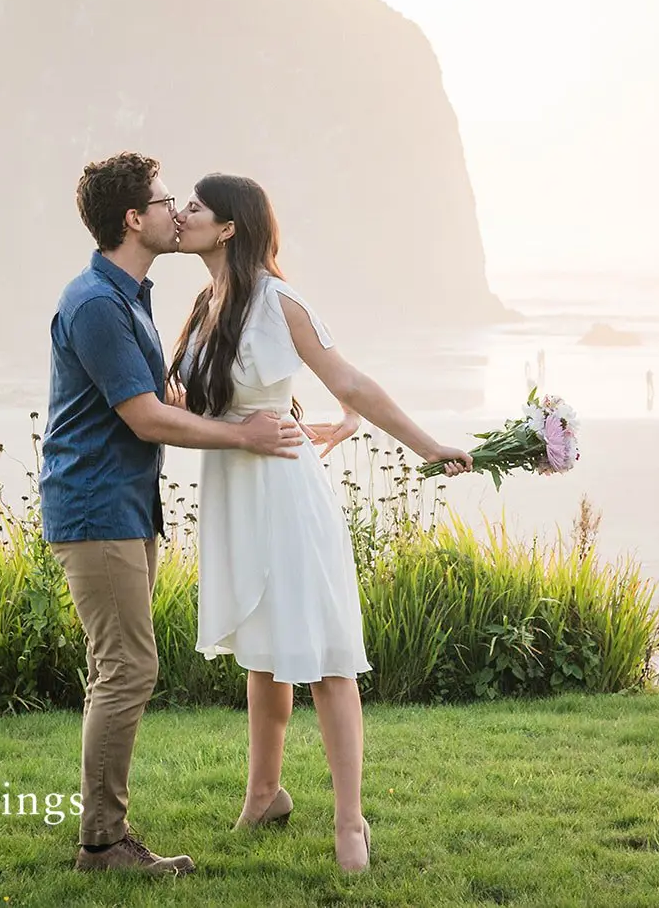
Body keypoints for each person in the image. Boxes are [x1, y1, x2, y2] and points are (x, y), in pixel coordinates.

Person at [170, 173, 472, 873]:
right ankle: (263, 794)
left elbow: (352, 383)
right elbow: (199, 401)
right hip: (235, 492)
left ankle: (349, 823)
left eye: (194, 206)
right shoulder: (204, 302)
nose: (180, 214)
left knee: (324, 656)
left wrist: (430, 446)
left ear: (228, 228)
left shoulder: (280, 300)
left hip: (284, 494)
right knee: (264, 652)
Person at [42, 152, 304, 877]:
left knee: (114, 669)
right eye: (163, 200)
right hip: (98, 509)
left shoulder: (129, 296)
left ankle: (104, 836)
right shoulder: (98, 303)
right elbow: (144, 417)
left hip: (123, 505)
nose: (174, 210)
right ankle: (104, 843)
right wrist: (245, 434)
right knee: (128, 669)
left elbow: (157, 402)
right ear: (133, 218)